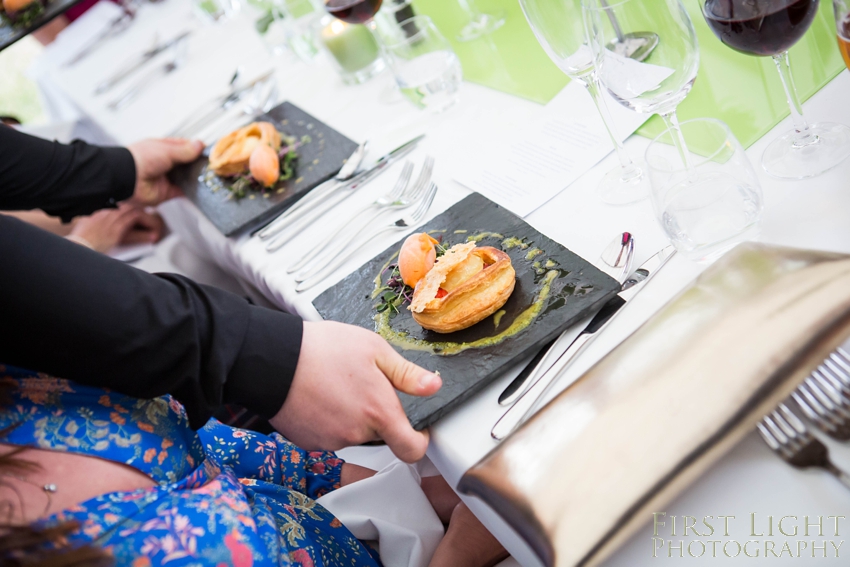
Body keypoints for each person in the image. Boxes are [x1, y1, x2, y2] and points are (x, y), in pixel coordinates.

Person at [0, 128, 508, 565]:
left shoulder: (25, 375)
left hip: (352, 510)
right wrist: (463, 551)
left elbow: (221, 448)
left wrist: (420, 496)